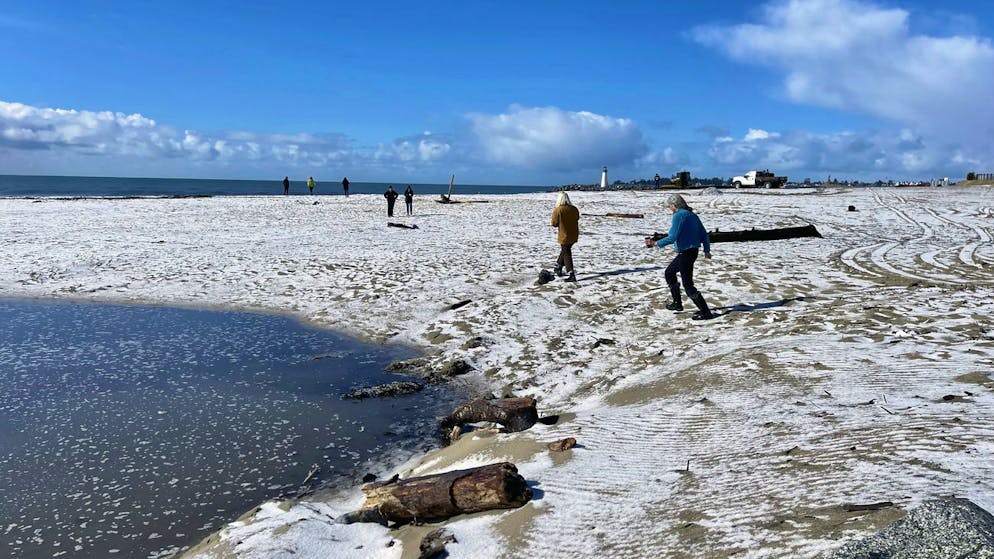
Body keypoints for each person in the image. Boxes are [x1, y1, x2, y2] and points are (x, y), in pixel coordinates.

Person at [645, 193, 714, 319]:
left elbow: (673, 237)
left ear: (674, 205)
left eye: (669, 206)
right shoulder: (692, 215)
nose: (669, 209)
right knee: (669, 273)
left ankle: (706, 312)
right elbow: (704, 234)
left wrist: (655, 243)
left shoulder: (678, 215)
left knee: (688, 285)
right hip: (691, 252)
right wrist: (706, 250)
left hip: (686, 253)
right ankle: (677, 303)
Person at [550, 191, 580, 282]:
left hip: (564, 235)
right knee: (565, 250)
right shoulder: (574, 208)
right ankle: (558, 266)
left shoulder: (558, 210)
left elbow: (554, 223)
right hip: (574, 234)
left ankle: (571, 273)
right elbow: (577, 218)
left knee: (566, 252)